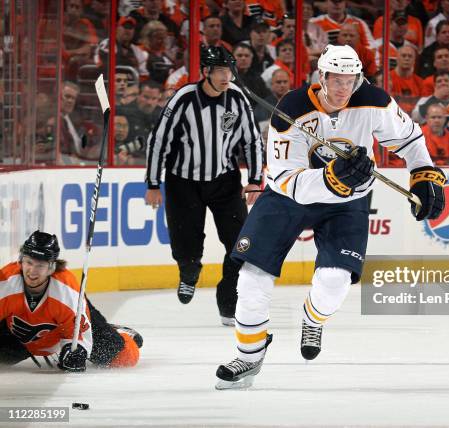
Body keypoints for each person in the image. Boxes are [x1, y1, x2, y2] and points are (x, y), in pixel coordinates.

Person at [215, 45, 446, 389]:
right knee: (250, 278)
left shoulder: (375, 102)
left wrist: (423, 174)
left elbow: (410, 139)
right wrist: (331, 178)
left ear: (358, 79)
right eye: (335, 80)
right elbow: (282, 178)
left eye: (349, 81)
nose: (342, 89)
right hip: (288, 197)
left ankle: (313, 317)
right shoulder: (291, 109)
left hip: (347, 201)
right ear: (321, 77)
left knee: (335, 283)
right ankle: (249, 356)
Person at [144, 46, 263, 325]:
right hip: (182, 181)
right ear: (205, 72)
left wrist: (256, 180)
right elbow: (159, 140)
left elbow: (252, 140)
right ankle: (189, 271)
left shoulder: (237, 98)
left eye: (229, 70)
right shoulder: (184, 98)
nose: (226, 77)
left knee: (239, 245)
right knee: (186, 240)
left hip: (225, 181)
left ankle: (228, 300)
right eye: (220, 71)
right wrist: (152, 183)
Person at [0, 231, 142, 371]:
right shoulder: (6, 282)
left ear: (51, 268)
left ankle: (116, 333)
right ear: (21, 261)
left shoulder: (66, 292)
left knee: (123, 357)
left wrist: (76, 351)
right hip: (20, 338)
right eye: (28, 262)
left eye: (40, 265)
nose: (32, 271)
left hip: (66, 328)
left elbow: (79, 336)